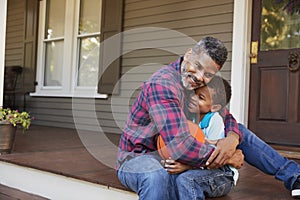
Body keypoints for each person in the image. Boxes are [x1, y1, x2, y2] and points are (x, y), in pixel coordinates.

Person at [116, 36, 300, 199]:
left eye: (208, 74)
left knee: (239, 131)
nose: (199, 77)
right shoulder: (163, 85)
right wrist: (229, 157)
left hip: (173, 154)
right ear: (188, 55)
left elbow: (226, 117)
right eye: (198, 67)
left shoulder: (193, 82)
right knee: (155, 175)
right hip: (141, 157)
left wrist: (232, 138)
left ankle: (295, 176)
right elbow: (181, 148)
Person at [163, 76, 241, 199]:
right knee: (169, 175)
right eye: (194, 93)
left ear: (215, 107)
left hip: (222, 173)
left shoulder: (214, 121)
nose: (193, 98)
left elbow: (214, 156)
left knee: (187, 180)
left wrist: (188, 166)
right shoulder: (191, 118)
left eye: (201, 98)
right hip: (199, 167)